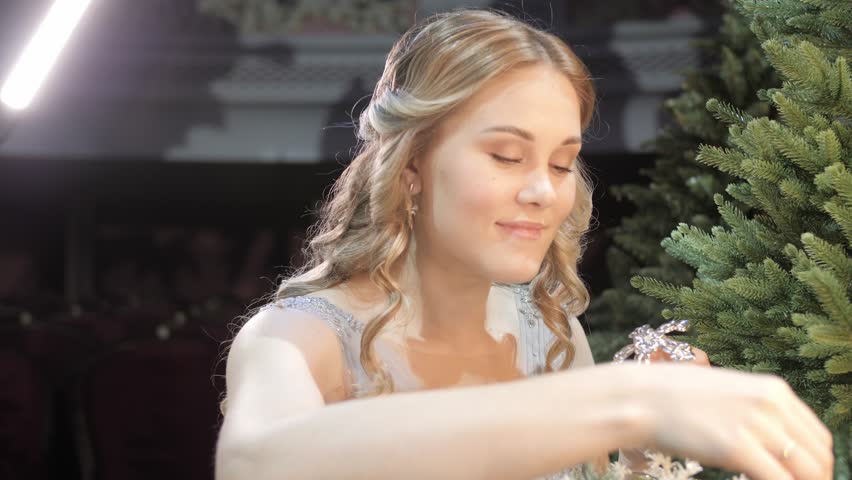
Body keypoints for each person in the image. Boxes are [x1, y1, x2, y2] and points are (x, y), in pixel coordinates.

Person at [214, 8, 834, 480]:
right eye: (506, 156)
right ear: (410, 169)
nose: (543, 190)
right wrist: (628, 403)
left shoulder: (550, 329)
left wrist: (647, 455)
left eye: (563, 163)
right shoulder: (298, 337)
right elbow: (254, 460)